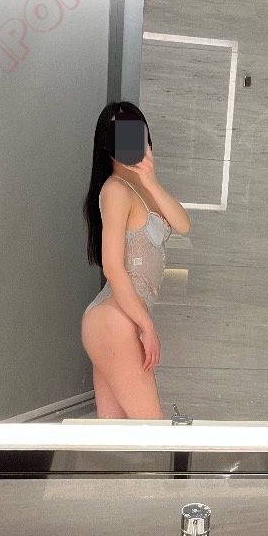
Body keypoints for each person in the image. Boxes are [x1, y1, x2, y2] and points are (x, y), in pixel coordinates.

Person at [81, 101, 191, 418]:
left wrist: (151, 180)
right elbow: (113, 267)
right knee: (151, 433)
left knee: (116, 437)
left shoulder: (141, 187)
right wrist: (146, 325)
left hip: (113, 319)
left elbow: (183, 224)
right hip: (117, 319)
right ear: (108, 145)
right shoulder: (115, 190)